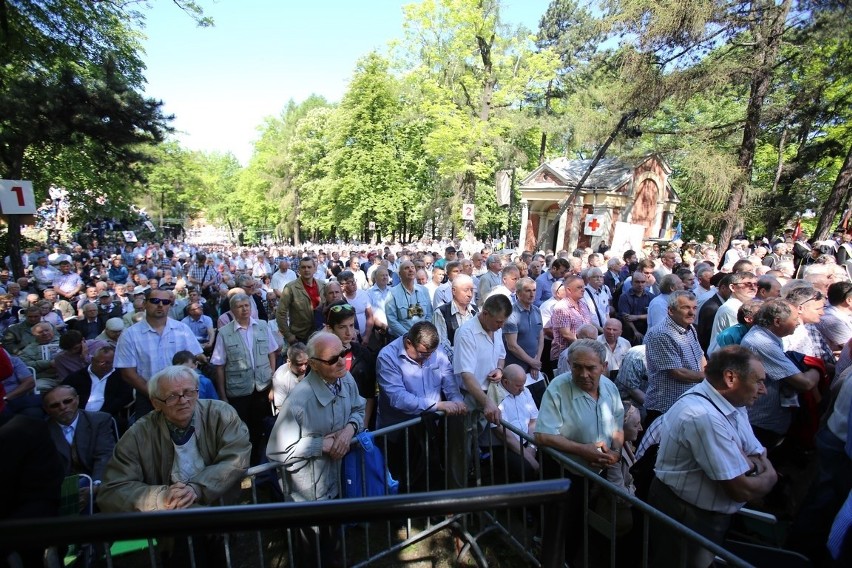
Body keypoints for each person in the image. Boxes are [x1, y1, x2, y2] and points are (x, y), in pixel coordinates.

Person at [649, 346, 777, 568]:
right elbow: (741, 489)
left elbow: (757, 451)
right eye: (758, 381)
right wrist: (769, 474)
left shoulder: (733, 403)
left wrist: (752, 464)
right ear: (730, 378)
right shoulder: (703, 416)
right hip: (687, 517)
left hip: (705, 517)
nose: (763, 390)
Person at [266, 332, 365, 567]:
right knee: (310, 555)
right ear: (313, 365)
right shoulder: (299, 400)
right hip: (307, 494)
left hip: (336, 482)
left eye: (343, 353)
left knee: (334, 547)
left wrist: (349, 430)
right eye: (333, 359)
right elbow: (277, 451)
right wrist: (322, 445)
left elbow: (359, 410)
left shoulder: (345, 378)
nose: (341, 361)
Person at [534, 339, 624, 560]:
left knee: (583, 525)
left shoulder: (610, 388)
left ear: (603, 366)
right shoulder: (558, 387)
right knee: (560, 525)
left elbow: (618, 426)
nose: (583, 374)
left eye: (590, 368)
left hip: (594, 473)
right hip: (563, 472)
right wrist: (583, 450)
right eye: (577, 367)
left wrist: (616, 452)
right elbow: (542, 435)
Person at [375, 321, 466, 490]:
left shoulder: (436, 352)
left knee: (431, 478)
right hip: (399, 432)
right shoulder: (387, 357)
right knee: (403, 482)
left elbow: (449, 381)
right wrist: (437, 405)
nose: (429, 358)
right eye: (423, 354)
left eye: (431, 353)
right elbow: (398, 398)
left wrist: (457, 400)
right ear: (409, 343)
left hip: (430, 429)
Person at [740, 299, 821, 449]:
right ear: (777, 321)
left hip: (771, 418)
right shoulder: (762, 342)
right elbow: (805, 383)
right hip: (762, 421)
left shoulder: (767, 336)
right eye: (795, 319)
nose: (798, 323)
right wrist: (817, 368)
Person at [211, 293, 279, 465]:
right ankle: (243, 464)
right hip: (238, 391)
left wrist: (272, 381)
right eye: (240, 307)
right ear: (232, 310)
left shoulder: (263, 326)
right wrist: (223, 395)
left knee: (261, 428)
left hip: (262, 388)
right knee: (241, 430)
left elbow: (272, 353)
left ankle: (260, 463)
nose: (244, 309)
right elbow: (219, 366)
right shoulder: (225, 333)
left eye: (247, 305)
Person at [114, 288, 204, 419]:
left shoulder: (182, 329)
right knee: (150, 438)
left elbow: (194, 359)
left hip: (183, 398)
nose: (160, 305)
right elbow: (128, 374)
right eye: (155, 301)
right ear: (145, 304)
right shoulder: (129, 335)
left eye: (166, 302)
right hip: (148, 398)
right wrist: (155, 395)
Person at [643, 291, 706, 427]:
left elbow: (700, 356)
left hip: (687, 403)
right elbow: (677, 372)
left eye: (694, 308)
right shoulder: (661, 334)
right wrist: (709, 378)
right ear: (671, 311)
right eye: (685, 308)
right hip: (666, 407)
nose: (692, 313)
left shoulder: (689, 328)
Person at [43, 385, 116, 500]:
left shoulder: (99, 420)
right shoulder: (41, 430)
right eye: (55, 405)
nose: (62, 407)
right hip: (61, 487)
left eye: (67, 401)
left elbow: (104, 456)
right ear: (47, 409)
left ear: (77, 399)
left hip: (95, 479)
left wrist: (96, 485)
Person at [324, 301, 377, 429]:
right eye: (342, 327)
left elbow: (369, 394)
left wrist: (363, 426)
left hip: (359, 422)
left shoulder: (364, 353)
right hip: (330, 426)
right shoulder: (321, 357)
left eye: (352, 325)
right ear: (330, 329)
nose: (349, 332)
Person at [487, 364, 539, 482]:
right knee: (526, 468)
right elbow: (502, 433)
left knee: (552, 459)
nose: (522, 389)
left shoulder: (525, 391)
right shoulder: (496, 395)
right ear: (505, 382)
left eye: (523, 385)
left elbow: (533, 421)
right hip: (505, 446)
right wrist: (528, 457)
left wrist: (532, 447)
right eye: (518, 386)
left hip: (528, 440)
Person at [276, 257, 325, 346]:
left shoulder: (323, 285)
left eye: (309, 267)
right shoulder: (291, 288)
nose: (306, 270)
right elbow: (281, 313)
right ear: (299, 269)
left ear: (315, 269)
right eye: (303, 267)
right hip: (300, 336)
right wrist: (288, 336)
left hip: (321, 334)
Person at [503, 277, 544, 378]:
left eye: (534, 290)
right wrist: (532, 362)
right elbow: (512, 345)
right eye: (528, 291)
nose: (532, 294)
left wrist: (536, 361)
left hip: (533, 366)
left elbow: (540, 338)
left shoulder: (537, 310)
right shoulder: (511, 313)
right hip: (515, 367)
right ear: (518, 293)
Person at [432, 273, 477, 359]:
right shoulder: (441, 313)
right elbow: (441, 344)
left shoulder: (475, 311)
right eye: (466, 290)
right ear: (453, 291)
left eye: (471, 290)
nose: (470, 294)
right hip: (452, 363)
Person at [549, 275, 593, 364]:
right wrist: (585, 347)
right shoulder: (561, 307)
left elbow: (589, 324)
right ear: (569, 290)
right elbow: (566, 334)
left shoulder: (583, 304)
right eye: (579, 287)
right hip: (565, 356)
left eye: (583, 287)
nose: (583, 289)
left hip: (582, 352)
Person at [386, 260, 433, 339]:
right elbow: (392, 321)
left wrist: (423, 333)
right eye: (406, 268)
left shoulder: (424, 290)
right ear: (400, 274)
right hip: (402, 338)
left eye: (412, 267)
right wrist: (409, 336)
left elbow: (429, 314)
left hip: (423, 337)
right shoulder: (392, 293)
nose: (411, 270)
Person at [269, 342, 309, 412]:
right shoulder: (280, 378)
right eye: (299, 364)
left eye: (306, 363)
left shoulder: (311, 368)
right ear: (289, 362)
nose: (304, 368)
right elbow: (280, 406)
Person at [617, 271, 652, 345]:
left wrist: (637, 317)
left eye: (643, 282)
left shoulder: (651, 297)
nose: (640, 285)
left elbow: (653, 315)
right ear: (631, 283)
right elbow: (626, 317)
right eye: (637, 282)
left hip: (647, 330)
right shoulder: (624, 297)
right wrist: (635, 331)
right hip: (630, 332)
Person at [597, 318, 630, 382]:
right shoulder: (595, 343)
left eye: (614, 330)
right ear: (603, 329)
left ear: (620, 332)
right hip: (602, 380)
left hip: (622, 381)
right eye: (608, 329)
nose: (611, 332)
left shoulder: (626, 343)